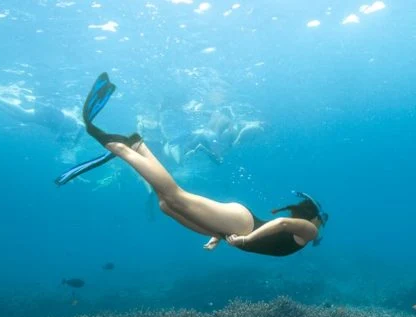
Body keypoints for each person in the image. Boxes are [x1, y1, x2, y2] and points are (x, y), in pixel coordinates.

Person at [56, 73, 328, 257]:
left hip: (232, 227)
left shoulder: (304, 230)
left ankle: (138, 145)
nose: (321, 226)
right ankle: (117, 147)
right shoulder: (311, 230)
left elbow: (277, 227)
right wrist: (246, 240)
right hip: (242, 225)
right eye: (322, 219)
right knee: (175, 196)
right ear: (314, 217)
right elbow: (280, 223)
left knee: (166, 205)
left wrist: (217, 236)